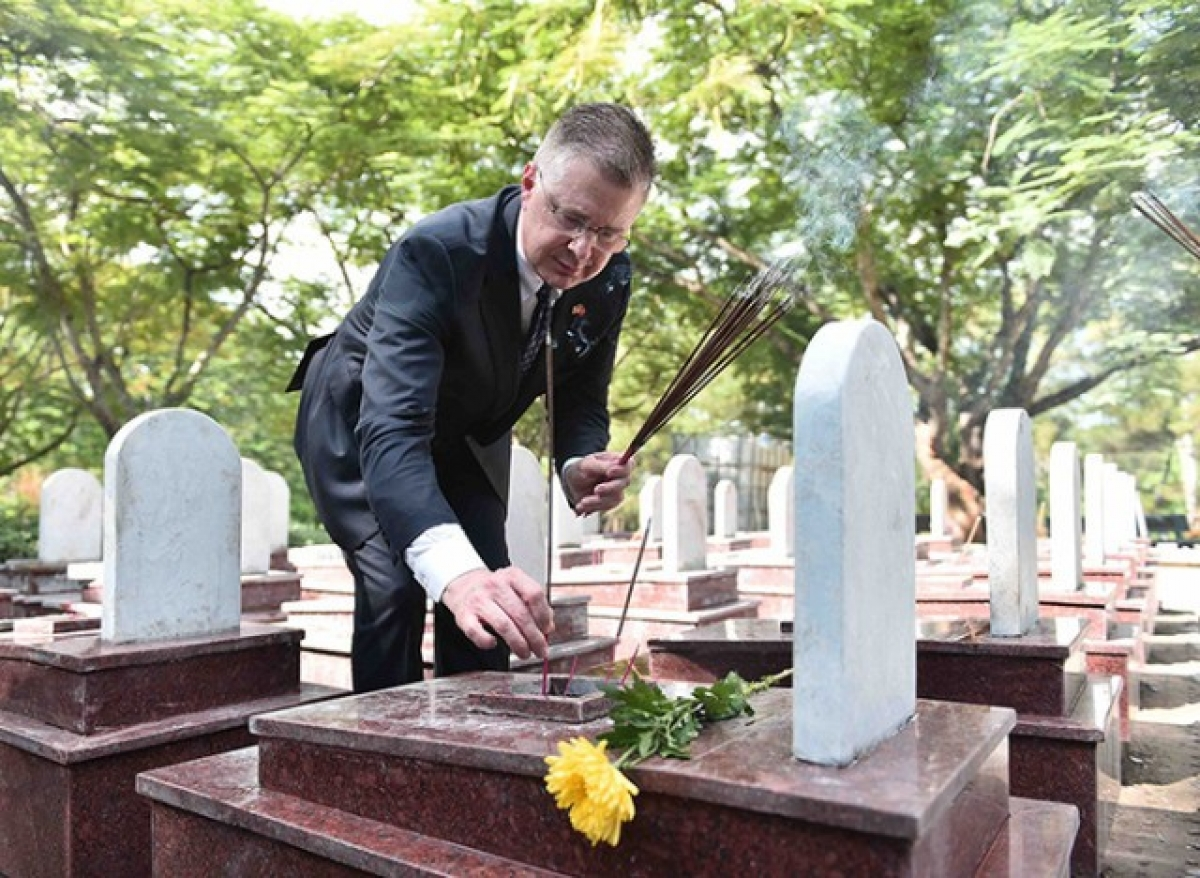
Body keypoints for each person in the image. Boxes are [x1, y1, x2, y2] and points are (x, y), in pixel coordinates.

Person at [290, 103, 657, 693]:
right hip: (364, 425)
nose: (584, 251)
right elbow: (395, 432)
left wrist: (577, 459)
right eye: (571, 219)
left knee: (495, 595)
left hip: (466, 436)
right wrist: (452, 575)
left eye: (609, 233)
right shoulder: (435, 253)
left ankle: (479, 746)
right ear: (531, 180)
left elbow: (583, 392)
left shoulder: (609, 276)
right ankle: (383, 753)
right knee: (398, 585)